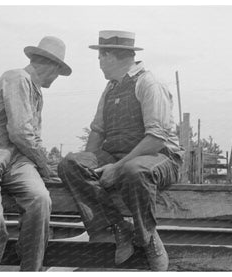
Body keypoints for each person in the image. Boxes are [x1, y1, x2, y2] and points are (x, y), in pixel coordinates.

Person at [58, 30, 183, 271]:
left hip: (160, 157)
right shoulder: (110, 88)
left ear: (109, 56)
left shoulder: (149, 83)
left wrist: (115, 168)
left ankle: (148, 237)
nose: (99, 64)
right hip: (119, 156)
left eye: (100, 58)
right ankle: (117, 228)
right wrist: (88, 169)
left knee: (133, 170)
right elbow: (97, 131)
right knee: (69, 163)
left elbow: (156, 139)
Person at [0, 36, 72, 271]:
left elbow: (31, 135)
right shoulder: (17, 78)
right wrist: (45, 166)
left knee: (40, 200)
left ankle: (31, 269)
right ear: (52, 67)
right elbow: (21, 132)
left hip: (18, 159)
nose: (56, 78)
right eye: (58, 72)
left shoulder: (35, 90)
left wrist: (41, 164)